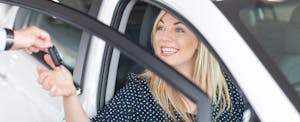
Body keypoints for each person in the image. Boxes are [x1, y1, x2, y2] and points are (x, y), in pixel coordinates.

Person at [37, 11, 244, 122]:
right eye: (160, 28)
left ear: (200, 42)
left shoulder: (228, 93)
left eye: (179, 30)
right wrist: (70, 95)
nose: (165, 37)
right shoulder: (141, 91)